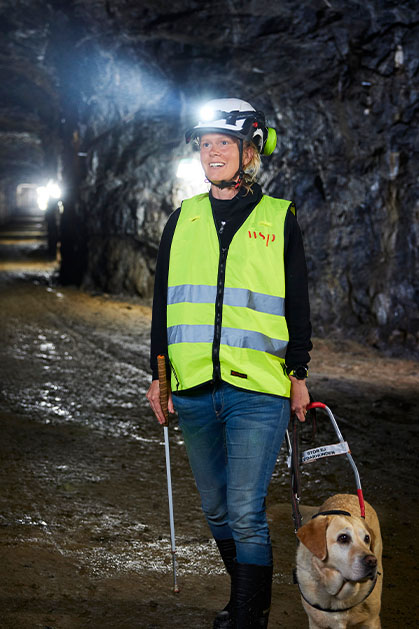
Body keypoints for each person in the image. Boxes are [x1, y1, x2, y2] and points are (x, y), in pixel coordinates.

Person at [146, 98, 312, 628]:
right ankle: (243, 603)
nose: (212, 153)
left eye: (223, 143)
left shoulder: (279, 218)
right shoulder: (183, 219)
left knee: (245, 511)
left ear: (250, 151)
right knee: (217, 510)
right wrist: (160, 375)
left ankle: (247, 619)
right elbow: (162, 304)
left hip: (258, 390)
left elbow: (298, 304)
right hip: (193, 387)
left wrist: (299, 373)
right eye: (204, 144)